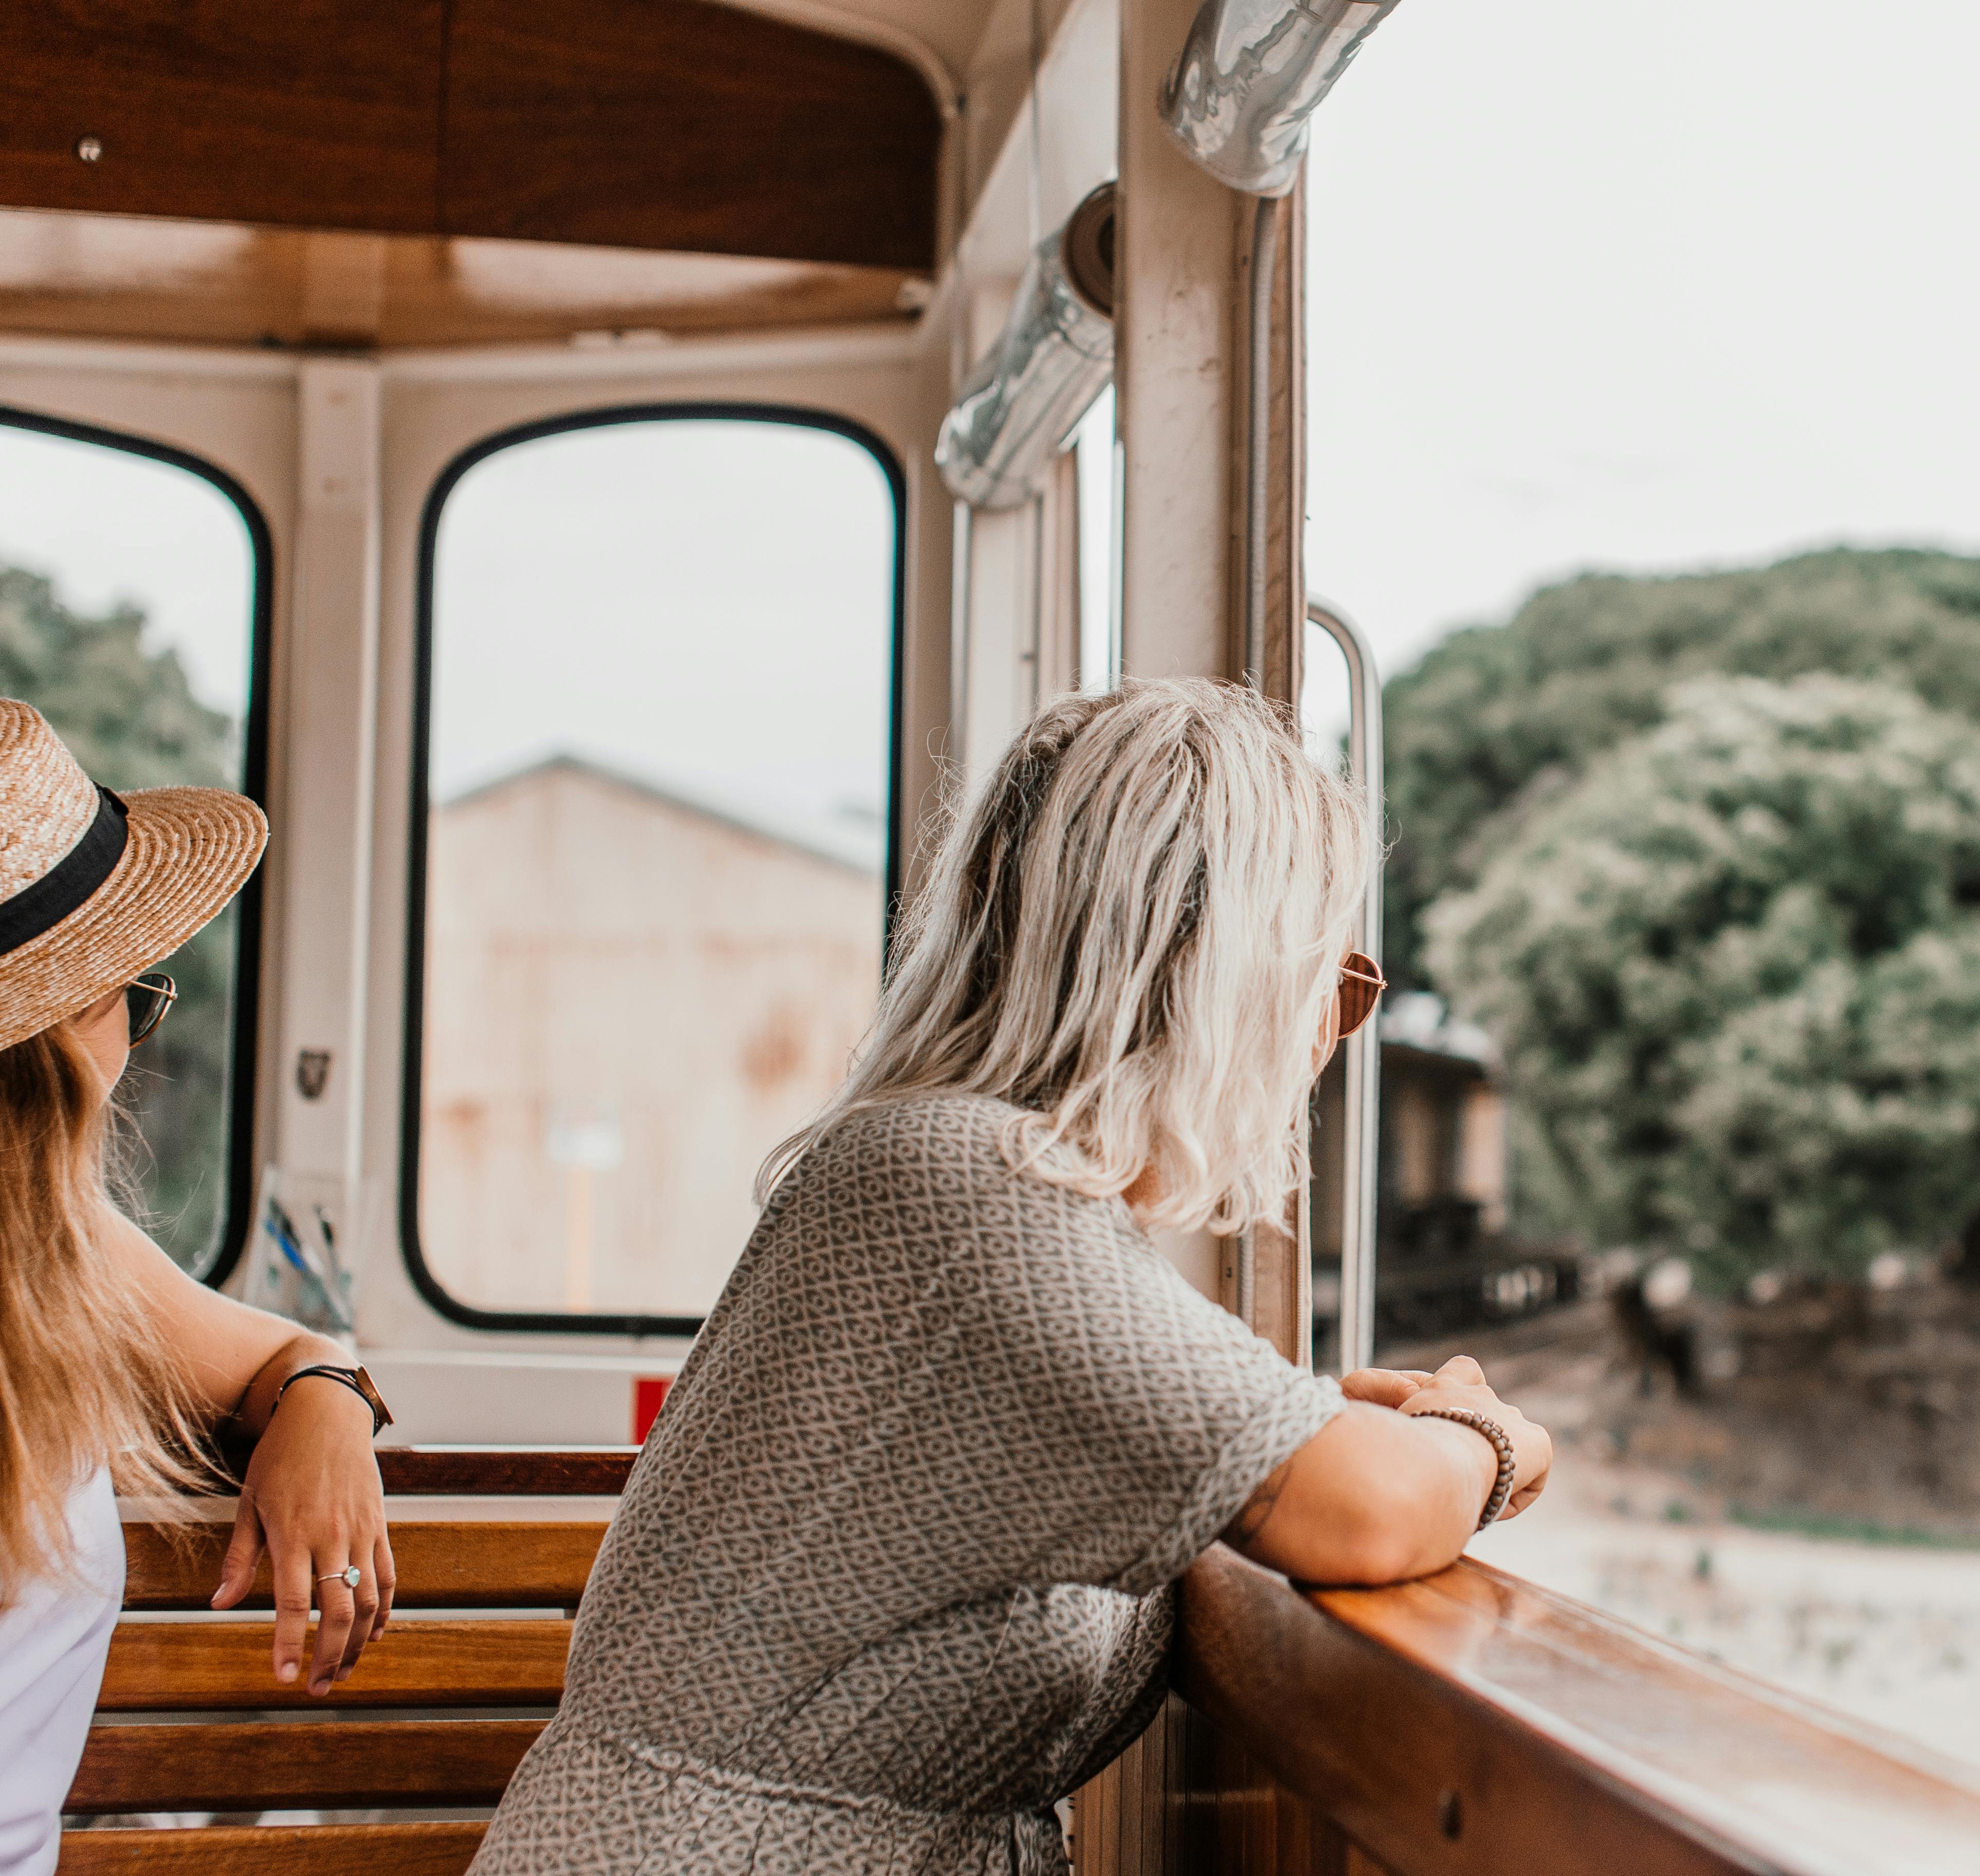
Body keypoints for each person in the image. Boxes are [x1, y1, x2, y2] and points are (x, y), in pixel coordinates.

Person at [472, 679, 1552, 1876]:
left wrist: (1308, 1435)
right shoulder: (969, 1193)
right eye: (1330, 988)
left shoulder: (971, 1190)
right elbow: (1367, 1509)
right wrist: (1479, 1435)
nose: (1321, 1043)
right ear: (1222, 974)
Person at [0, 700, 396, 1876]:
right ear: (69, 1034)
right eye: (132, 988)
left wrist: (326, 1400)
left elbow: (281, 1352)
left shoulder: (55, 1248)